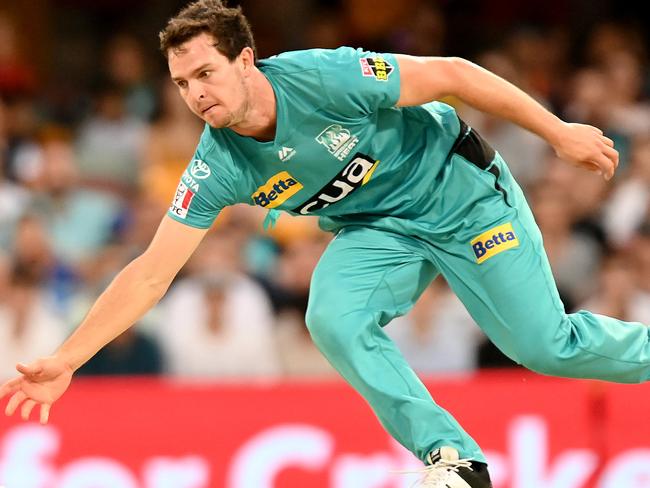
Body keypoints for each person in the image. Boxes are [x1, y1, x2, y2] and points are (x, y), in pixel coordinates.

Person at [1, 1, 646, 486]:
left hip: (459, 195)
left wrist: (558, 133)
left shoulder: (324, 78)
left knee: (544, 347)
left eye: (205, 73)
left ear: (245, 61)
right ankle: (452, 458)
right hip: (378, 230)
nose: (196, 94)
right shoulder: (217, 163)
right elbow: (150, 273)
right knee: (330, 317)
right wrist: (68, 359)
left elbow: (451, 74)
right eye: (180, 83)